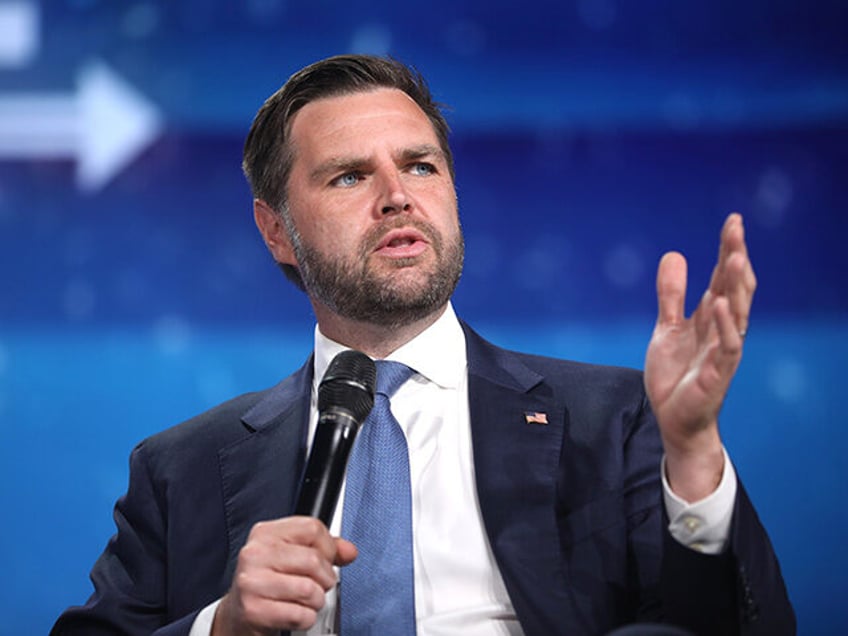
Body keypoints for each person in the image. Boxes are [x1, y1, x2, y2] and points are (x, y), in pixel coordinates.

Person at [52, 54, 794, 636]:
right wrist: (225, 627)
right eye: (349, 176)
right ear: (276, 229)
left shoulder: (615, 416)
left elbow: (729, 626)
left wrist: (693, 452)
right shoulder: (181, 470)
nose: (397, 195)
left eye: (419, 165)